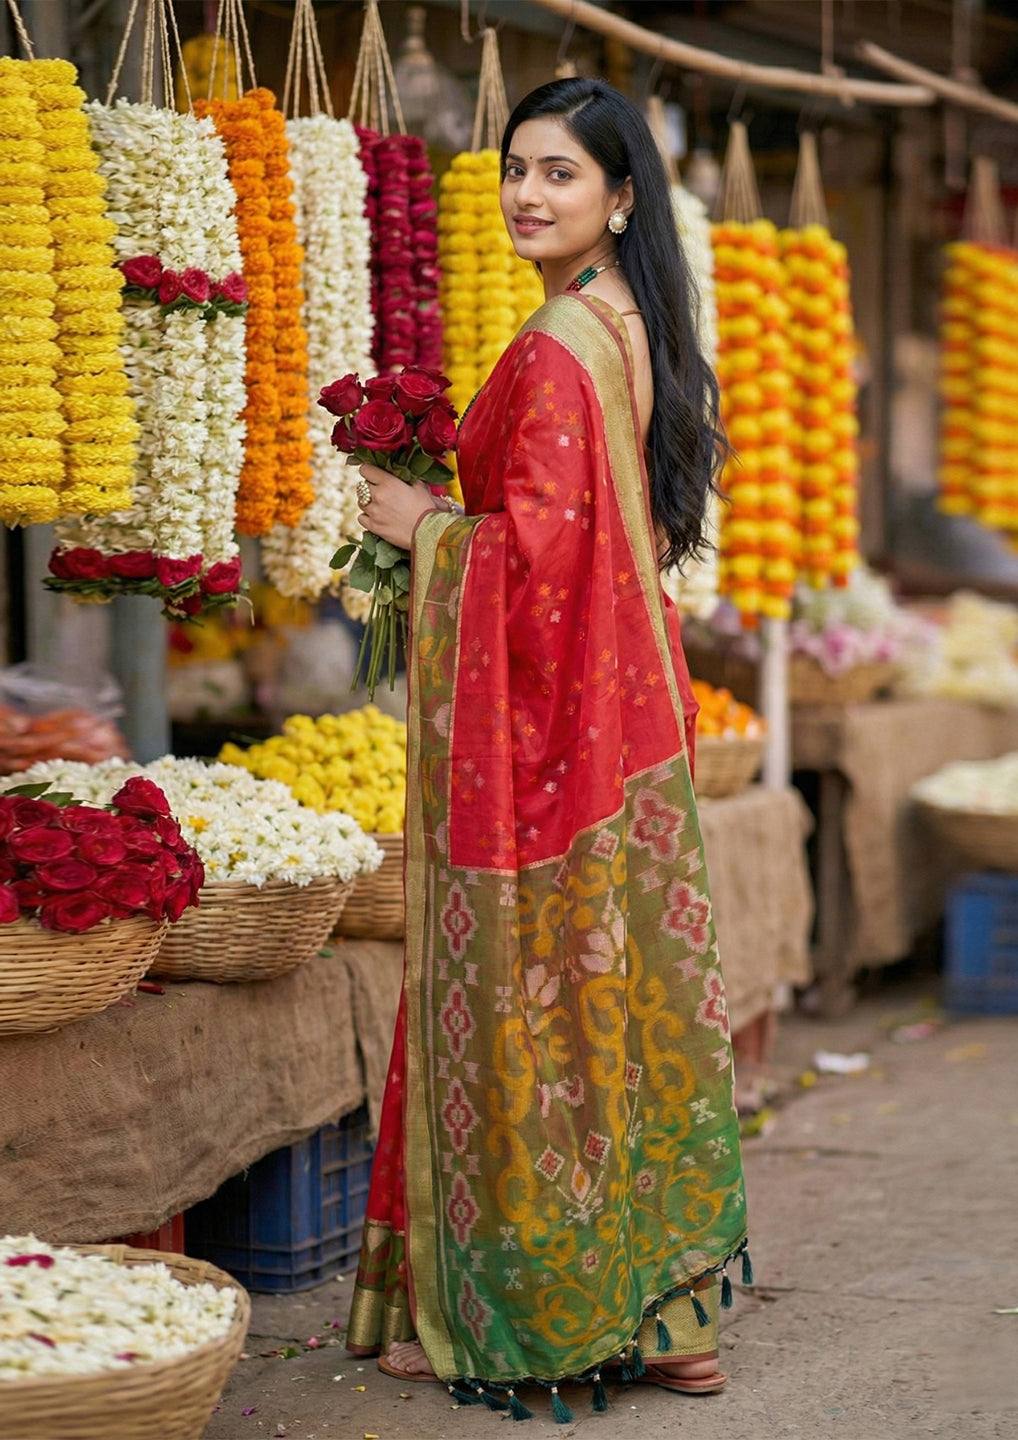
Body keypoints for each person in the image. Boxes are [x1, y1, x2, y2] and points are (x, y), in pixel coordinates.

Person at [345, 77, 748, 1419]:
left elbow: (538, 561)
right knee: (619, 1010)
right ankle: (673, 1313)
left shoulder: (565, 343)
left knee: (532, 1007)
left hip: (558, 739)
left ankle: (524, 1308)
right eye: (518, 168)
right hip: (626, 721)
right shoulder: (634, 326)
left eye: (562, 174)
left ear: (621, 196)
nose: (528, 193)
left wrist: (421, 530)